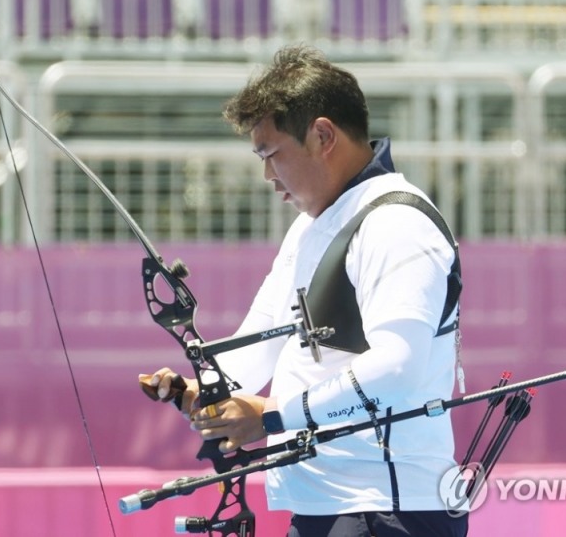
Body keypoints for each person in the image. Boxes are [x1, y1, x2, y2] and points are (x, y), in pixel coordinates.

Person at [143, 45, 467, 537]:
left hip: (388, 510)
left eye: (272, 154)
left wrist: (272, 416)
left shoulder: (396, 223)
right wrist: (203, 392)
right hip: (327, 507)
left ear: (321, 135)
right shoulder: (311, 227)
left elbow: (397, 369)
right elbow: (258, 349)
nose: (267, 176)